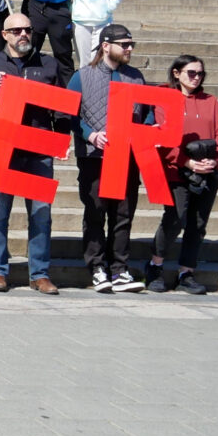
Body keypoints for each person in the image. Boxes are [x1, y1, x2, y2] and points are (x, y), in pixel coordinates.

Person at [0, 13, 64, 293]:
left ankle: (40, 274)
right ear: (5, 35)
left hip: (39, 150)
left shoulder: (48, 64)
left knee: (41, 214)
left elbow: (61, 107)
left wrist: (61, 140)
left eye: (28, 30)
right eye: (17, 30)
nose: (23, 34)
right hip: (3, 149)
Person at [68, 24, 151, 294]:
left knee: (123, 214)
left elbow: (148, 114)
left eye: (131, 45)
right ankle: (97, 268)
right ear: (106, 45)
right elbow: (70, 114)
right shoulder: (82, 76)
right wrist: (89, 135)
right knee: (95, 212)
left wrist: (147, 133)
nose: (129, 49)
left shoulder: (137, 77)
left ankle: (120, 270)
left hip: (127, 157)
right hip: (95, 157)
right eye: (124, 44)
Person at [147, 54, 218, 294]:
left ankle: (186, 272)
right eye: (191, 73)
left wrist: (215, 159)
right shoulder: (165, 98)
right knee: (174, 219)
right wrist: (187, 162)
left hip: (208, 172)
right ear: (177, 73)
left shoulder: (210, 101)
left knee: (197, 224)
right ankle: (155, 266)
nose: (196, 77)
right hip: (176, 171)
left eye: (200, 73)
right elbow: (161, 136)